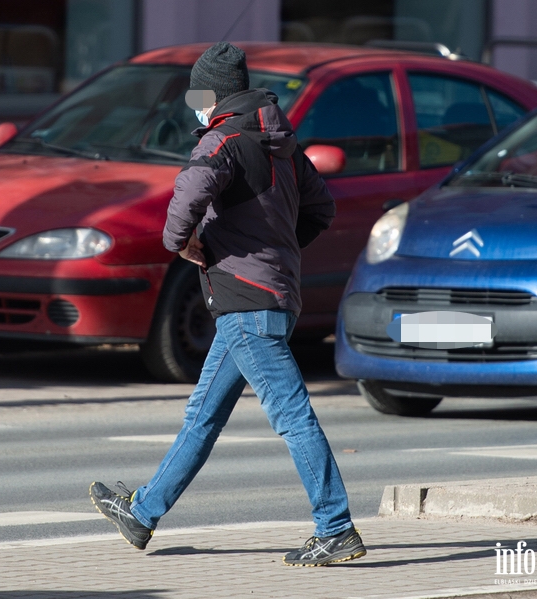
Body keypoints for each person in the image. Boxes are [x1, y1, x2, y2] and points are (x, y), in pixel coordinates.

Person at [89, 41, 365, 567]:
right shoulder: (280, 142)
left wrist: (187, 243)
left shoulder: (224, 140)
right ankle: (142, 512)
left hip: (246, 302)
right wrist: (274, 251)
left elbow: (185, 199)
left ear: (212, 94)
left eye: (198, 93)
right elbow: (321, 208)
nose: (195, 104)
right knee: (202, 417)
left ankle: (335, 527)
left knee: (293, 417)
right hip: (270, 298)